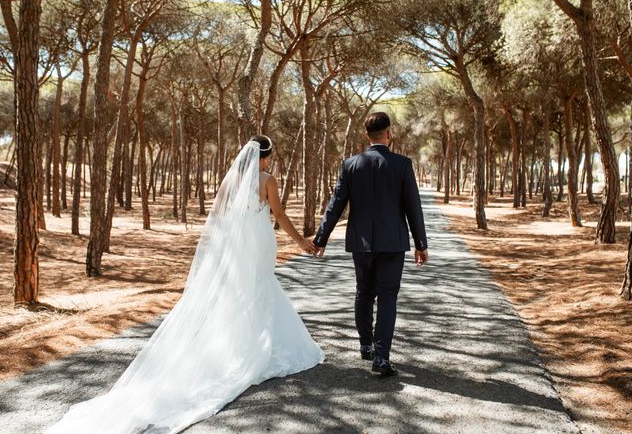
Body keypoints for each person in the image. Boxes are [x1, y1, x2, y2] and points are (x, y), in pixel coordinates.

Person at [46, 135, 323, 434]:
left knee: (240, 292)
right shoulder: (267, 179)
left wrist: (228, 245)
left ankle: (239, 346)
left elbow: (217, 216)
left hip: (237, 246)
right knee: (259, 287)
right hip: (258, 244)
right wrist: (302, 242)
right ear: (266, 157)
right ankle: (257, 349)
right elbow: (278, 214)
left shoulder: (229, 181)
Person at [313, 111, 428, 377]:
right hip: (392, 243)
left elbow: (335, 205)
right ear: (389, 133)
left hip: (361, 243)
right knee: (387, 297)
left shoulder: (351, 165)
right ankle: (381, 358)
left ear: (367, 136)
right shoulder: (402, 164)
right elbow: (414, 207)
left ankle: (366, 345)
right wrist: (421, 243)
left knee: (364, 292)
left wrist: (321, 239)